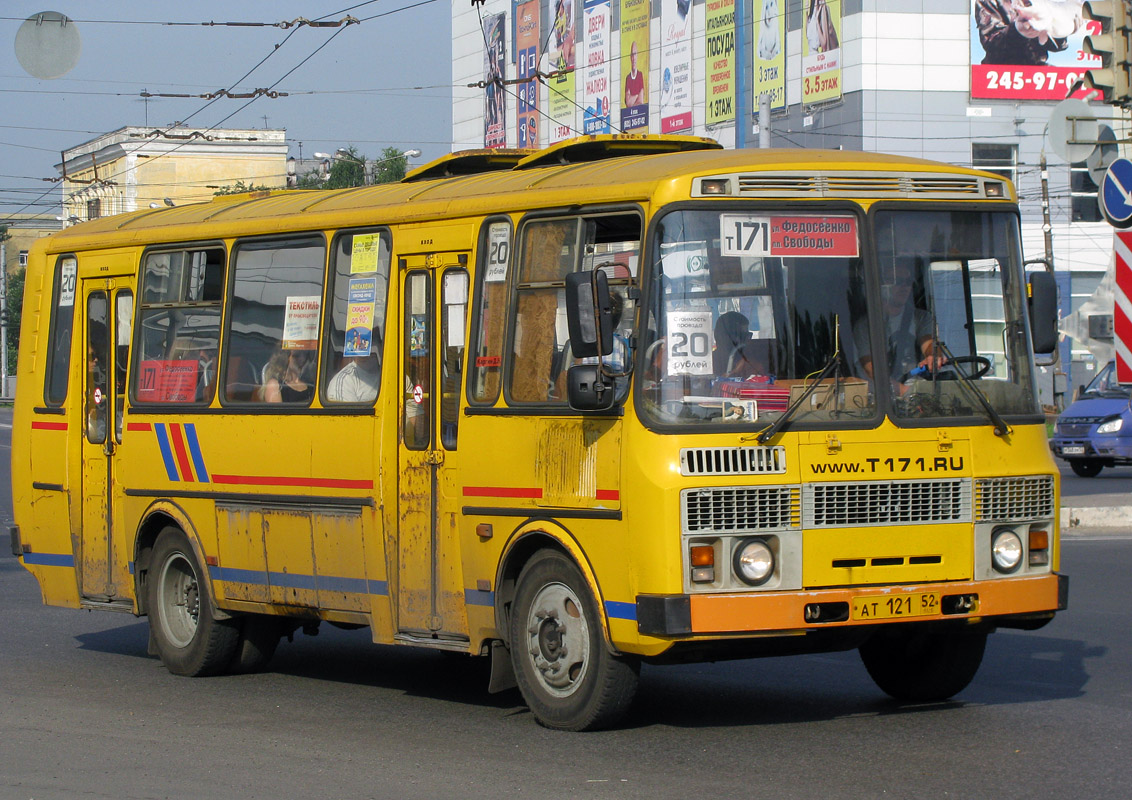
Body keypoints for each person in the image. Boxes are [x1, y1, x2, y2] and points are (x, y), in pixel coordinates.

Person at [855, 259, 944, 394]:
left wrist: (933, 356)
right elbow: (870, 368)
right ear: (881, 286)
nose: (905, 287)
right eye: (897, 281)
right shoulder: (865, 326)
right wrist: (903, 391)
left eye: (908, 282)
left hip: (912, 391)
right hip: (877, 399)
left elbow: (929, 342)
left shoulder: (920, 317)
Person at [976, 0, 1081, 66]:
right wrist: (1017, 30)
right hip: (998, 72)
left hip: (1035, 73)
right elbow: (991, 44)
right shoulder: (989, 1)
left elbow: (1057, 46)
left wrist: (1067, 26)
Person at [713, 311, 769, 378]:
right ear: (730, 337)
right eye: (743, 335)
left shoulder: (751, 362)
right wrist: (736, 372)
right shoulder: (707, 363)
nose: (747, 339)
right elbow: (710, 385)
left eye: (748, 335)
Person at [624, 42, 645, 107]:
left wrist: (631, 97)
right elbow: (628, 103)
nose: (634, 58)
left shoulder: (640, 75)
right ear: (630, 57)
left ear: (637, 56)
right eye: (632, 55)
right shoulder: (628, 78)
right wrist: (636, 95)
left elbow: (640, 101)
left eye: (635, 54)